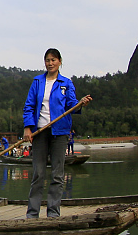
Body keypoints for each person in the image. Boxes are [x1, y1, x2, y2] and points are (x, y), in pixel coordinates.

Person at [22, 48, 92, 218]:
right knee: (38, 173)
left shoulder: (66, 83)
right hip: (40, 132)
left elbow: (71, 105)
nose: (50, 63)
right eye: (47, 60)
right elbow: (29, 106)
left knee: (57, 174)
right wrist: (28, 128)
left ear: (60, 61)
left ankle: (53, 213)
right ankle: (32, 214)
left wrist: (81, 104)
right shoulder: (37, 82)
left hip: (60, 132)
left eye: (53, 60)